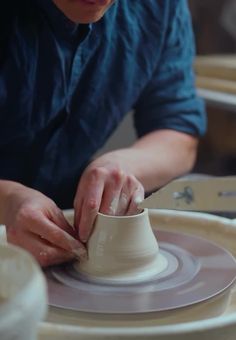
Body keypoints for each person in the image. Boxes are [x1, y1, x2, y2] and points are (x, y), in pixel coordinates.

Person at [0, 0, 206, 267]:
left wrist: (121, 165)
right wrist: (6, 202)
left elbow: (176, 130)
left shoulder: (160, 6)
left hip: (68, 220)